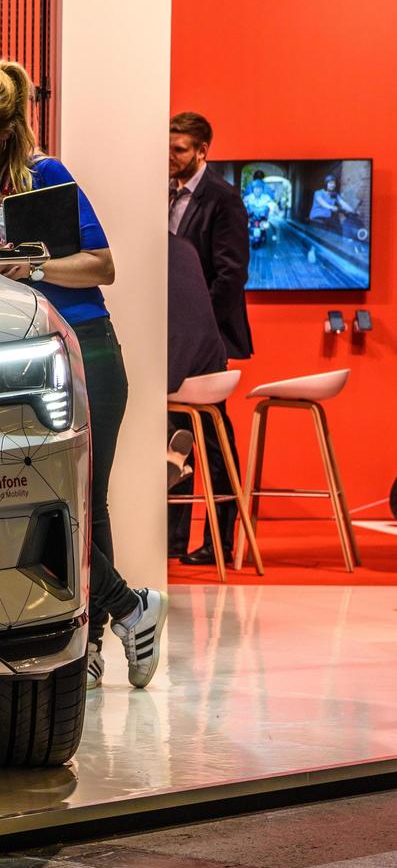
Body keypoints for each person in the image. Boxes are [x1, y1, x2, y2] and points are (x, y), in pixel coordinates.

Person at [0, 60, 168, 691]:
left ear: (9, 130)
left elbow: (102, 266)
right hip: (19, 359)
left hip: (85, 350)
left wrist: (34, 270)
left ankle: (95, 637)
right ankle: (125, 611)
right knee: (38, 496)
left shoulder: (44, 178)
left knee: (82, 502)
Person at [168, 111, 250, 564]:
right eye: (168, 148)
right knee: (177, 438)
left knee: (214, 444)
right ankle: (175, 540)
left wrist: (197, 324)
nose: (170, 157)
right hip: (176, 339)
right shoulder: (163, 192)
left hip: (209, 338)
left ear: (202, 151)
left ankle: (221, 539)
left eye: (179, 150)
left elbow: (231, 275)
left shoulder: (223, 198)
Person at [167, 232, 233, 550]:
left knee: (149, 407)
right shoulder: (184, 247)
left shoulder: (146, 251)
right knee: (210, 442)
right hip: (211, 363)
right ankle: (219, 542)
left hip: (181, 368)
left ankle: (171, 461)